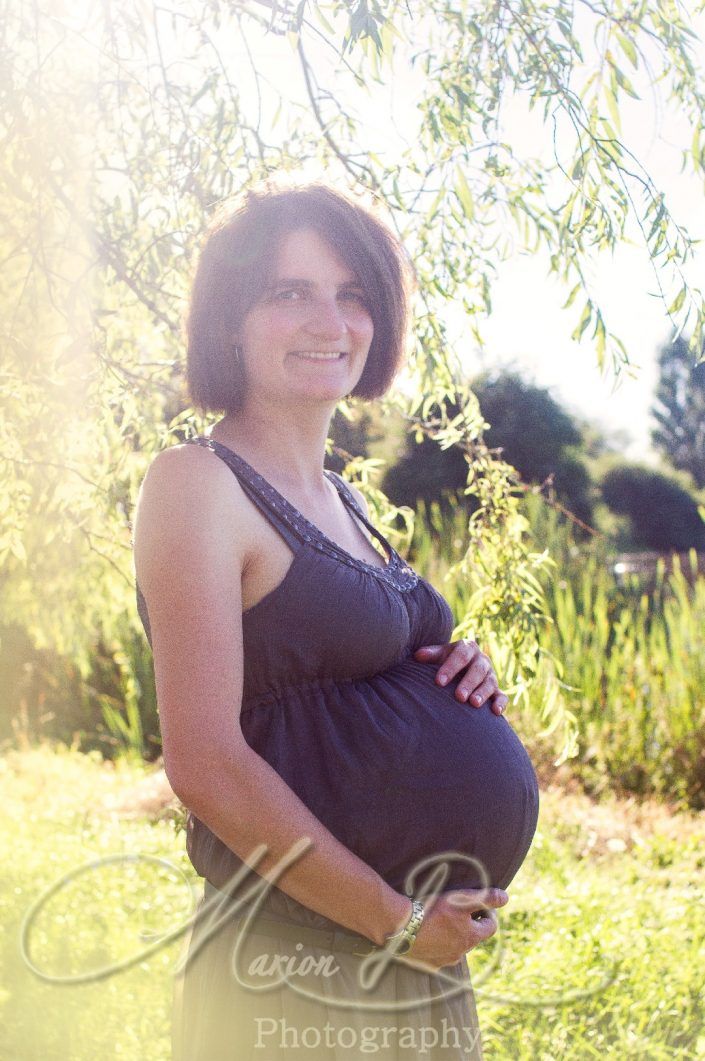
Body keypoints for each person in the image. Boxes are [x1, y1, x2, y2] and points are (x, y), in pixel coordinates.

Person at [132, 182, 539, 1060]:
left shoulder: (345, 500)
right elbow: (203, 762)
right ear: (232, 318)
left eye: (352, 293)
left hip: (414, 965)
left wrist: (454, 669)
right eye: (290, 291)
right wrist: (392, 922)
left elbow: (351, 671)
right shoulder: (196, 482)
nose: (330, 319)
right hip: (297, 967)